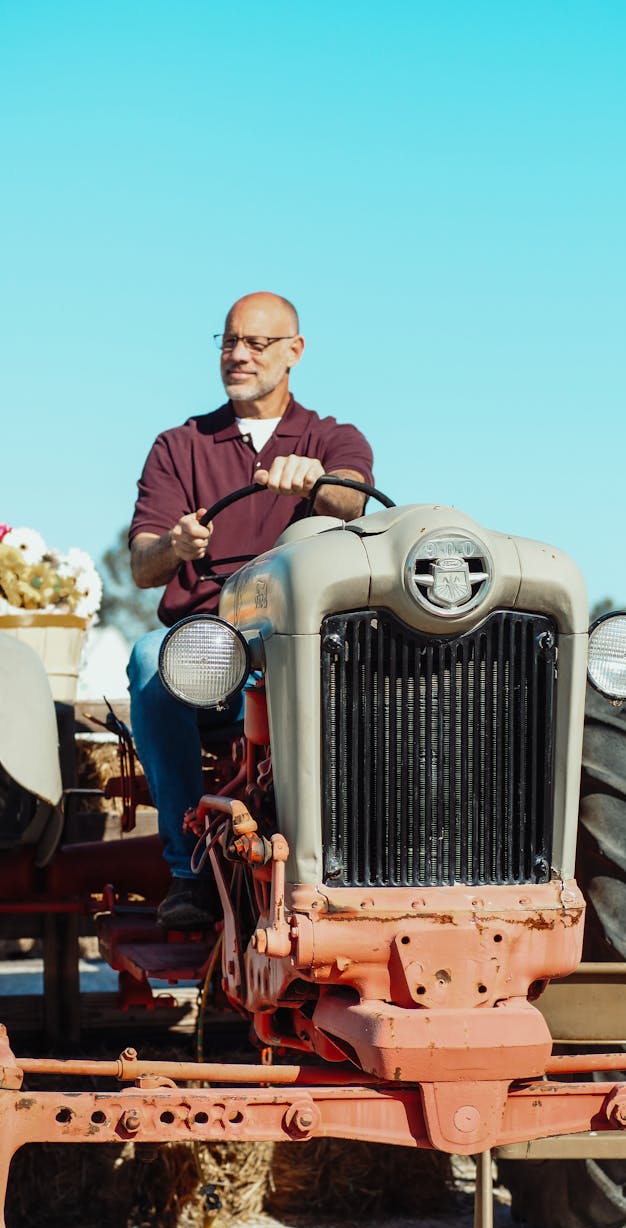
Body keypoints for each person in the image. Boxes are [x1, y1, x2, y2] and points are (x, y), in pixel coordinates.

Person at [127, 291, 374, 929]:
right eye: (229, 342)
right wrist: (175, 545)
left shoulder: (332, 437)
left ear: (294, 352)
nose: (238, 355)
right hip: (210, 640)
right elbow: (142, 562)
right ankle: (189, 874)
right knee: (151, 661)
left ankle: (355, 859)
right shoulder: (179, 446)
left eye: (256, 344)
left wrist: (318, 480)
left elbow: (353, 502)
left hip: (298, 639)